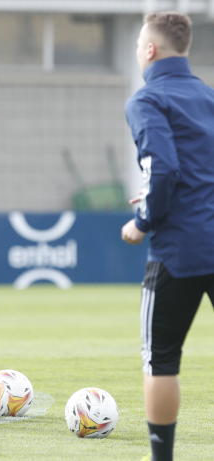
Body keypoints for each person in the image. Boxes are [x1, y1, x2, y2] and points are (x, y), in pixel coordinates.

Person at [121, 12, 214, 461]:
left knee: (160, 359)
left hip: (179, 249)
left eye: (140, 44)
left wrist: (142, 222)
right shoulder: (209, 96)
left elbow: (166, 168)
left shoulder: (148, 99)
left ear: (151, 50)